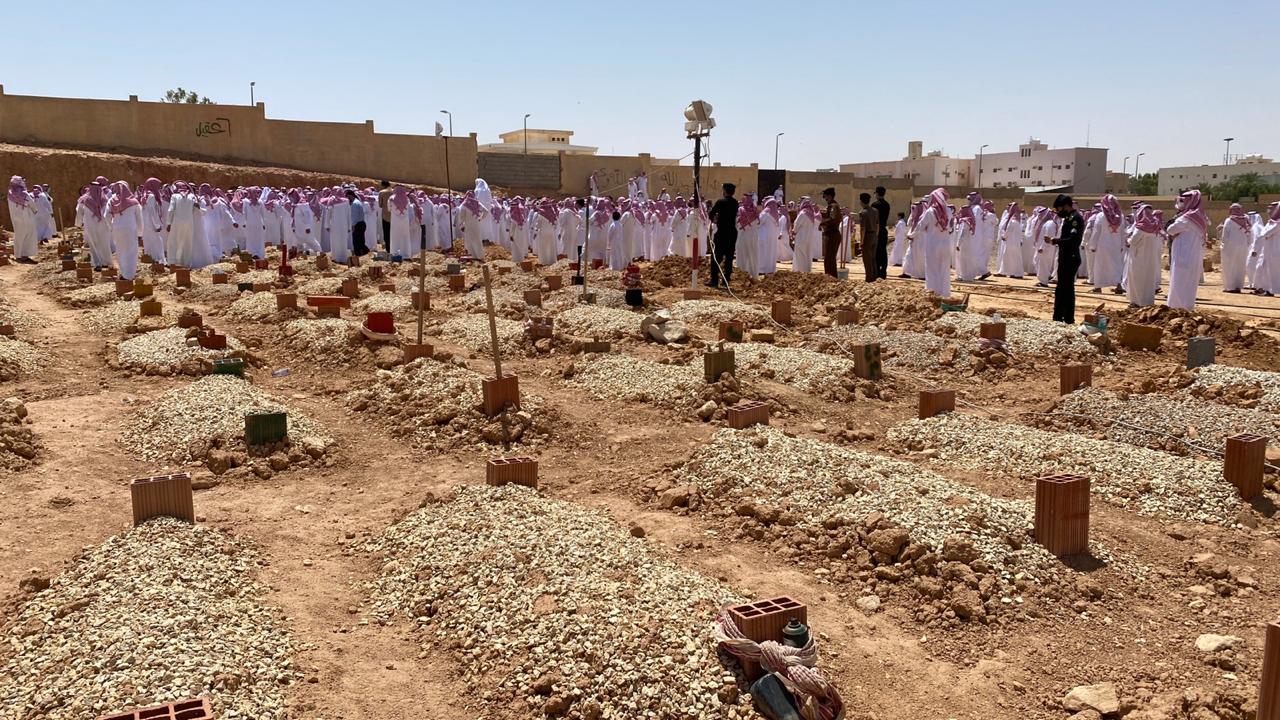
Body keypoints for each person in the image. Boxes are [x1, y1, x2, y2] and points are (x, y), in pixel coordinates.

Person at [1165, 189, 1208, 310]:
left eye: (1183, 201)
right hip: (1194, 256)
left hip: (1182, 255)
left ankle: (1176, 308)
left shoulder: (1187, 218)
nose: (1181, 203)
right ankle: (1187, 308)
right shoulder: (1201, 218)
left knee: (1179, 282)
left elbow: (1170, 230)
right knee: (1189, 283)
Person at [908, 188, 953, 297]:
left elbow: (920, 226)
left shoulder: (930, 211)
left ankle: (933, 292)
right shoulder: (948, 211)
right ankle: (945, 293)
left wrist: (911, 235)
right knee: (944, 269)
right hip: (946, 244)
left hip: (933, 244)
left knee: (932, 268)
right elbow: (951, 227)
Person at [1050, 194, 1084, 324]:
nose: (1058, 212)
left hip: (1071, 257)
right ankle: (1058, 316)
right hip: (1065, 257)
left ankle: (1068, 318)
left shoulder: (1075, 219)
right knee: (1061, 288)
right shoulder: (1069, 218)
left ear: (1066, 206)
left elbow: (1073, 240)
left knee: (1067, 288)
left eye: (1059, 209)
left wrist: (1055, 241)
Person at [1087, 194, 1126, 294]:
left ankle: (1098, 287)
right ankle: (1118, 285)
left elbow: (1096, 231)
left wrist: (1092, 245)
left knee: (1100, 266)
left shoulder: (1101, 216)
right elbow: (1123, 233)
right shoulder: (1121, 216)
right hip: (1116, 245)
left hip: (1102, 246)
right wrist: (1122, 245)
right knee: (1116, 265)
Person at [107, 181, 143, 280]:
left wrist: (111, 227)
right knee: (131, 251)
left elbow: (106, 216)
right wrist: (140, 233)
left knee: (120, 250)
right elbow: (139, 218)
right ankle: (129, 275)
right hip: (130, 229)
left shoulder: (111, 201)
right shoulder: (134, 201)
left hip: (117, 229)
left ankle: (123, 273)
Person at [707, 183, 740, 287]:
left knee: (716, 257)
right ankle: (726, 280)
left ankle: (714, 280)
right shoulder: (735, 203)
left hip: (722, 232)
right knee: (729, 258)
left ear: (725, 190)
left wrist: (715, 219)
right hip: (732, 232)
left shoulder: (720, 202)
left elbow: (711, 214)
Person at [1219, 204, 1252, 293]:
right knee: (1240, 266)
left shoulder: (1229, 221)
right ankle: (1238, 286)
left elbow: (1225, 236)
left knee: (1229, 266)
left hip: (1230, 247)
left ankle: (1230, 287)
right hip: (1243, 247)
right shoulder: (1246, 220)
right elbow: (1249, 235)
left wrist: (1222, 245)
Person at [7, 176, 39, 263]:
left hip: (16, 219)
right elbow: (32, 205)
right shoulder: (24, 194)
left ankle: (18, 255)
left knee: (19, 236)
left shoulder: (10, 194)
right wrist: (34, 210)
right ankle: (25, 255)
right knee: (29, 235)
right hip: (27, 218)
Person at [819, 188, 844, 278]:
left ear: (829, 196)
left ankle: (831, 278)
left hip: (832, 234)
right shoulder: (832, 205)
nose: (824, 198)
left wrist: (822, 223)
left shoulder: (833, 206)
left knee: (829, 260)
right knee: (828, 259)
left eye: (825, 196)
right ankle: (830, 278)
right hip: (830, 234)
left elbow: (833, 219)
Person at [995, 202, 1024, 278]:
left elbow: (1008, 230)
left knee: (1006, 256)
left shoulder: (1012, 220)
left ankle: (1004, 272)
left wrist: (1003, 236)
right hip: (1015, 242)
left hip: (1010, 241)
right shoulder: (1017, 219)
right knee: (1015, 257)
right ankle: (1015, 273)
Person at [857, 192, 880, 282]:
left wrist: (861, 241)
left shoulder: (863, 212)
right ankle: (874, 277)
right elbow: (878, 225)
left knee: (867, 260)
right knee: (873, 258)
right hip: (874, 235)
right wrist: (876, 235)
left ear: (861, 201)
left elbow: (863, 229)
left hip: (867, 237)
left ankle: (869, 279)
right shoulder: (875, 211)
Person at [871, 186, 891, 278]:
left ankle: (877, 271)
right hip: (883, 230)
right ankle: (883, 271)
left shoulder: (875, 205)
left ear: (877, 194)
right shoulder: (887, 205)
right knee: (883, 251)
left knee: (876, 251)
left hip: (876, 231)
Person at [347, 190, 368, 256]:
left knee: (356, 242)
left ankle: (358, 255)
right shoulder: (357, 202)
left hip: (358, 224)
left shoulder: (354, 204)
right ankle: (366, 253)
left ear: (350, 196)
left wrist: (353, 226)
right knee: (361, 242)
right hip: (361, 223)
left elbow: (355, 216)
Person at [377, 180, 393, 246]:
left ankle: (388, 247)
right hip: (394, 216)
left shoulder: (382, 192)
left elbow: (380, 205)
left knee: (386, 232)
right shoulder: (394, 191)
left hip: (385, 215)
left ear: (383, 185)